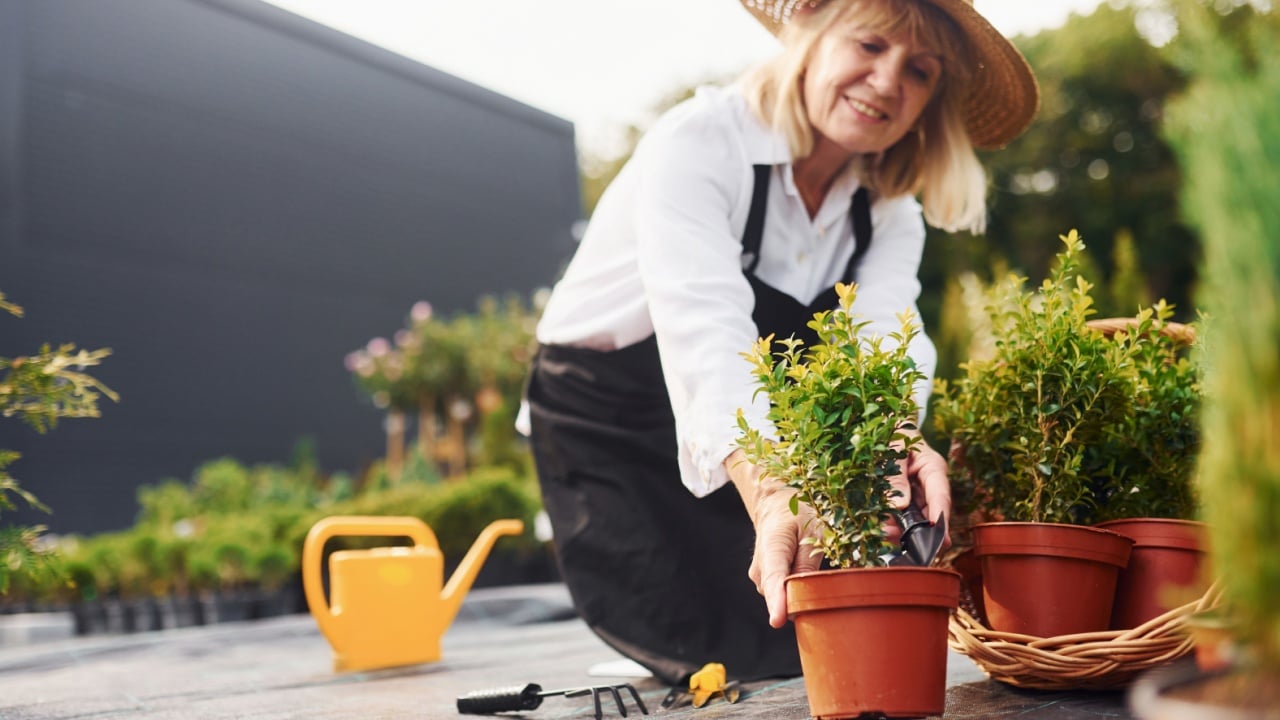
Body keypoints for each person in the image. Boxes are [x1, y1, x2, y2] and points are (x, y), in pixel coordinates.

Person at [518, 0, 1038, 684]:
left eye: (918, 70)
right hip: (609, 416)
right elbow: (706, 330)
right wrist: (772, 496)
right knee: (706, 649)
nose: (887, 81)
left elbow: (887, 341)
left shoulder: (885, 211)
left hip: (753, 430)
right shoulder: (698, 144)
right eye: (870, 45)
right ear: (810, 36)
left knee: (805, 635)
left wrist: (898, 440)